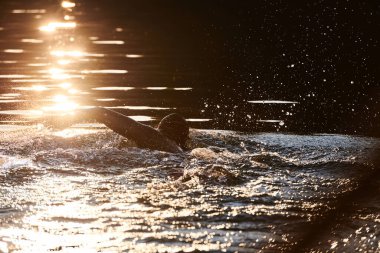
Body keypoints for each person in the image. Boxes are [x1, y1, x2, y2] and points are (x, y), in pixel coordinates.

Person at [43, 107, 189, 153]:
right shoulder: (178, 150)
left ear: (161, 130)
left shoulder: (155, 138)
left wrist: (67, 119)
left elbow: (100, 112)